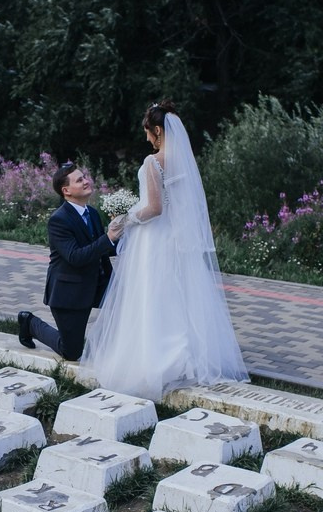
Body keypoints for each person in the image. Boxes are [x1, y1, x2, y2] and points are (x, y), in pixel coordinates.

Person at [82, 100, 249, 398]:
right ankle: (187, 358)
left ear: (157, 130)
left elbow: (155, 208)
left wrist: (127, 218)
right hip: (178, 239)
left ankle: (156, 359)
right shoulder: (183, 161)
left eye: (148, 131)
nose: (146, 137)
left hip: (155, 240)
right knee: (180, 294)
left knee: (152, 296)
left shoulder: (152, 162)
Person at [17, 161, 123, 360]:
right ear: (66, 190)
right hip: (69, 291)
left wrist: (131, 238)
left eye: (85, 177)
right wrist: (109, 237)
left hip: (98, 283)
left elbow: (101, 249)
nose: (86, 181)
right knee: (71, 352)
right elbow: (75, 257)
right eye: (79, 179)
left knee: (130, 306)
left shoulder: (91, 213)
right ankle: (29, 323)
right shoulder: (59, 220)